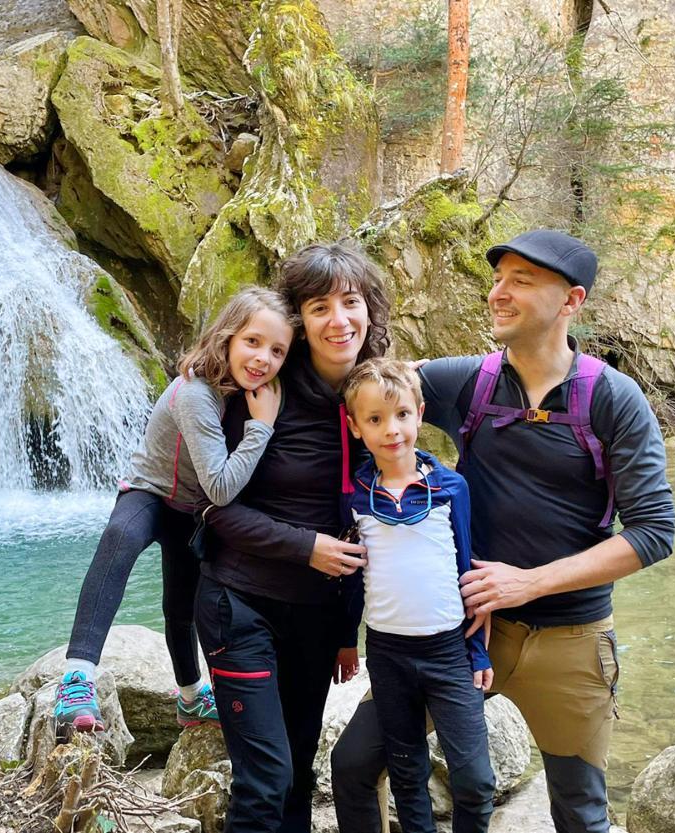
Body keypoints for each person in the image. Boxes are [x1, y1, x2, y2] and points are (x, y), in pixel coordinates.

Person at [331, 230, 675, 833]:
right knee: (356, 764)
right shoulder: (468, 383)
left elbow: (653, 532)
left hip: (570, 641)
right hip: (459, 631)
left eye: (521, 281)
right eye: (498, 279)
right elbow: (369, 389)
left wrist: (529, 583)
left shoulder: (613, 401)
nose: (499, 293)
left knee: (580, 811)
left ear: (571, 301)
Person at [194, 240, 392, 833]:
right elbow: (213, 511)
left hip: (315, 614)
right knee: (265, 779)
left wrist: (344, 633)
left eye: (350, 303)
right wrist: (306, 547)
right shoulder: (263, 391)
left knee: (298, 772)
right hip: (241, 600)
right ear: (300, 322)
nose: (339, 320)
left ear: (369, 310)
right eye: (319, 307)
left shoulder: (376, 395)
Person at [53, 286, 294, 738]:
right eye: (253, 342)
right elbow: (221, 487)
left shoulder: (251, 390)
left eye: (277, 350)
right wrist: (261, 428)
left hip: (190, 511)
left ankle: (189, 699)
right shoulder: (197, 393)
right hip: (149, 495)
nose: (263, 357)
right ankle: (76, 678)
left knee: (181, 606)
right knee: (119, 541)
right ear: (226, 337)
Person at [341, 357, 495, 833]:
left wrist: (475, 651)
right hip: (387, 654)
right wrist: (348, 640)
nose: (392, 430)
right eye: (375, 420)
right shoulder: (354, 495)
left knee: (474, 779)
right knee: (407, 775)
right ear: (355, 427)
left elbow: (466, 567)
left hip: (449, 651)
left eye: (402, 415)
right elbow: (348, 577)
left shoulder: (451, 487)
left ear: (420, 413)